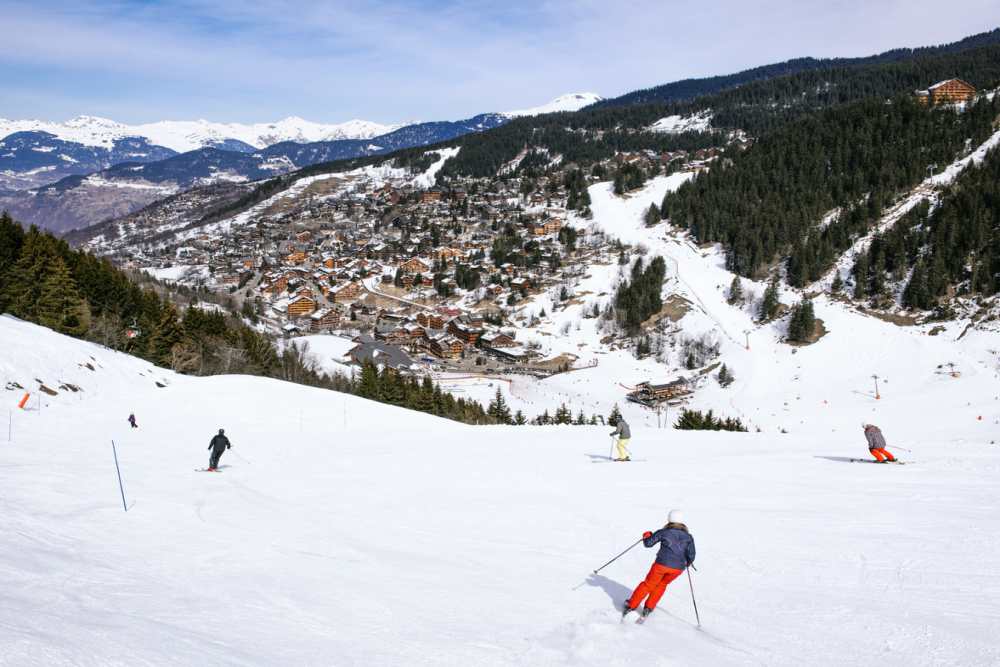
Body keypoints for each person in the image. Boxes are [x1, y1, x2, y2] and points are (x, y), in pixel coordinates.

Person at [623, 509, 696, 620]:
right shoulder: (689, 536)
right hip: (678, 569)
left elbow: (648, 543)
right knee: (662, 585)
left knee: (648, 584)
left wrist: (647, 535)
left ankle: (631, 605)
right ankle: (649, 608)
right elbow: (691, 554)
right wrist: (687, 562)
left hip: (662, 565)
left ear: (669, 520)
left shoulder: (664, 532)